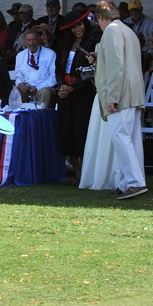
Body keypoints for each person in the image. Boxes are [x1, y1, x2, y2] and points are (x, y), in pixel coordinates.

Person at [93, 0, 147, 200]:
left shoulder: (111, 31)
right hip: (133, 92)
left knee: (120, 137)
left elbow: (117, 66)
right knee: (129, 138)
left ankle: (135, 182)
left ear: (101, 18)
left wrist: (112, 97)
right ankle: (126, 182)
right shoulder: (127, 30)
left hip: (122, 93)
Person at [54, 10, 97, 184]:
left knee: (82, 132)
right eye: (73, 27)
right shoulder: (65, 44)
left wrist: (74, 86)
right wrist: (62, 87)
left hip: (83, 93)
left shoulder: (92, 42)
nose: (77, 29)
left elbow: (92, 72)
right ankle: (77, 173)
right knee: (67, 132)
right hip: (65, 93)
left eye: (79, 25)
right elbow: (58, 68)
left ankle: (86, 174)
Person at [13, 28, 57, 107]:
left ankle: (40, 116)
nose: (32, 43)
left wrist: (37, 87)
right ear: (25, 42)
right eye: (29, 40)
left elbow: (53, 78)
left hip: (43, 88)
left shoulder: (50, 54)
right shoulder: (20, 56)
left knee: (44, 91)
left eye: (34, 40)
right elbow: (18, 75)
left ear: (39, 41)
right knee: (17, 90)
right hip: (27, 88)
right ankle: (19, 116)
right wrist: (20, 84)